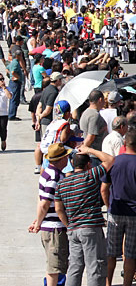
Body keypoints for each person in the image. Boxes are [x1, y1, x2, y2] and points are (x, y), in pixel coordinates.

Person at [54, 145, 115, 286]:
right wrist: (90, 150)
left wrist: (68, 225)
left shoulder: (61, 184)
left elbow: (59, 209)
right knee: (95, 267)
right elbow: (110, 159)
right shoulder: (90, 175)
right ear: (88, 164)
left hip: (73, 230)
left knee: (75, 267)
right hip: (90, 228)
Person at [103, 127, 136, 286]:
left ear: (124, 143)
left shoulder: (113, 162)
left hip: (116, 212)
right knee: (131, 255)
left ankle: (107, 283)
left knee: (111, 253)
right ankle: (127, 283)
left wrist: (109, 206)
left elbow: (104, 189)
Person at [28, 143, 72, 286]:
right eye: (66, 157)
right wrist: (38, 223)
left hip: (49, 226)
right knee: (55, 269)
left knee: (53, 267)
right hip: (54, 228)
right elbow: (45, 203)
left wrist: (38, 220)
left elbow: (40, 201)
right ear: (60, 159)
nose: (67, 159)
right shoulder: (55, 177)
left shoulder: (46, 172)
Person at [79, 90, 109, 166]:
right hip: (94, 155)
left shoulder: (86, 112)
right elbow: (91, 136)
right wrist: (84, 148)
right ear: (100, 100)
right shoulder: (94, 115)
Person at [0, 75, 10, 151]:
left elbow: (10, 96)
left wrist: (4, 88)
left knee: (3, 129)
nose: (2, 81)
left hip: (3, 113)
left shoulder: (6, 88)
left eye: (2, 79)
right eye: (0, 79)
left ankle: (3, 140)